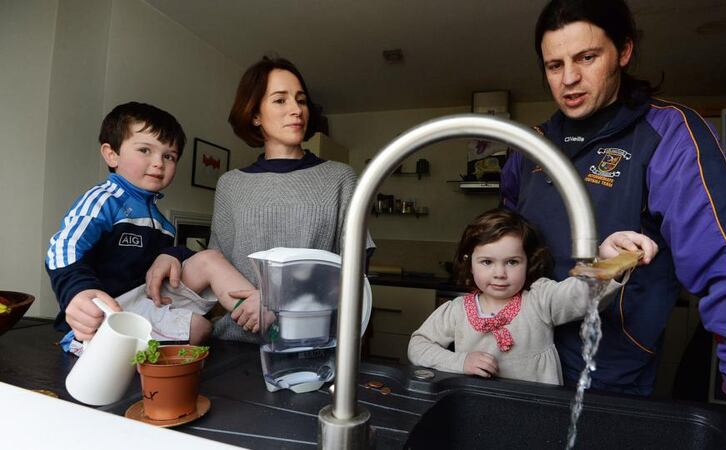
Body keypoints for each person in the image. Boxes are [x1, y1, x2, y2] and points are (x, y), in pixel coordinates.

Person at [500, 0, 726, 447]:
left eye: (587, 57)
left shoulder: (669, 132)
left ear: (623, 51)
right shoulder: (530, 146)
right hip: (520, 356)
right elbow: (504, 239)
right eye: (554, 65)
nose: (569, 79)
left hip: (609, 368)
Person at [145, 56, 375, 343]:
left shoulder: (339, 178)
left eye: (301, 100)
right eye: (280, 100)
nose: (296, 110)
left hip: (310, 343)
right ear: (255, 115)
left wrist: (276, 303)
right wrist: (174, 254)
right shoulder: (231, 184)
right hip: (235, 341)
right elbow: (215, 265)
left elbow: (354, 271)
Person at [45, 102, 257, 347]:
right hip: (108, 313)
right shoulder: (104, 200)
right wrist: (78, 291)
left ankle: (261, 314)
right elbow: (62, 247)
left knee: (210, 260)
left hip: (146, 300)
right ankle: (109, 352)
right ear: (111, 154)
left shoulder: (162, 223)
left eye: (169, 156)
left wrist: (172, 254)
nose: (159, 162)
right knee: (199, 328)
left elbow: (171, 265)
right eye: (145, 150)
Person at [407, 208, 658, 383]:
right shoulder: (456, 310)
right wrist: (460, 362)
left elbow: (580, 295)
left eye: (512, 262)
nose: (499, 273)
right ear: (469, 263)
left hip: (536, 412)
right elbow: (418, 346)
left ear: (528, 262)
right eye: (486, 262)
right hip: (477, 408)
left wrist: (606, 262)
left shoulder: (540, 299)